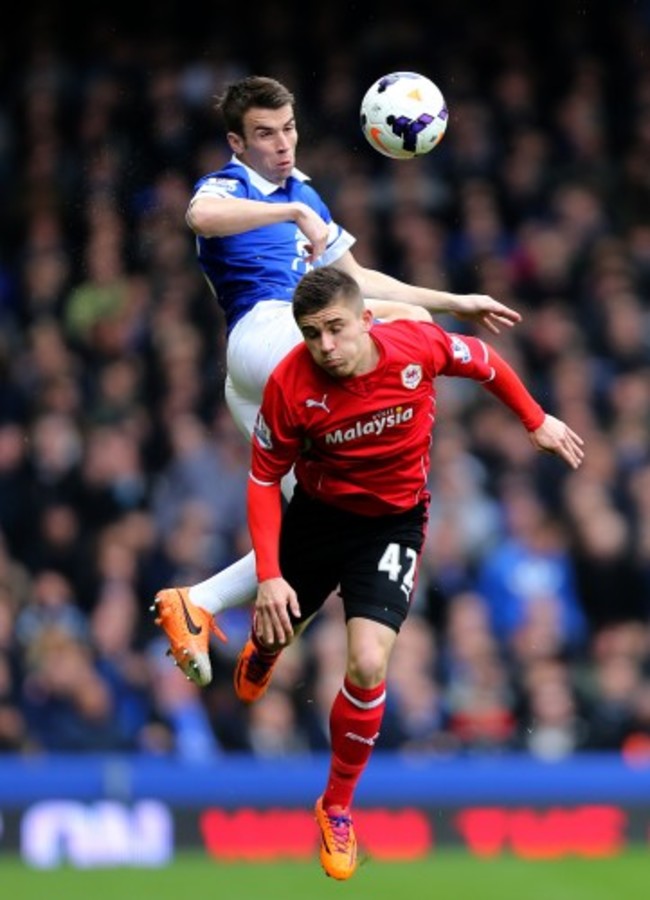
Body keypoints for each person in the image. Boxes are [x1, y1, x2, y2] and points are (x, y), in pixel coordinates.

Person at [153, 74, 524, 687]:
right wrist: (291, 211)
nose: (281, 144)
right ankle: (396, 449)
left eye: (289, 129)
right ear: (237, 142)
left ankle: (197, 603)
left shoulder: (307, 193)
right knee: (403, 334)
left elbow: (358, 280)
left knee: (315, 513)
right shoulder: (233, 187)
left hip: (263, 374)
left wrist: (456, 298)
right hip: (266, 333)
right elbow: (199, 215)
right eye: (265, 134)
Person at [233, 266, 584, 880]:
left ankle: (336, 806)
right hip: (318, 517)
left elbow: (484, 362)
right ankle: (266, 649)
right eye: (312, 334)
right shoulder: (290, 385)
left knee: (369, 663)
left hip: (393, 525)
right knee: (275, 627)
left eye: (336, 329)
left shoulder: (414, 346)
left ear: (367, 319)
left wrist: (536, 420)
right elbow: (264, 479)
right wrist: (268, 575)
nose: (326, 347)